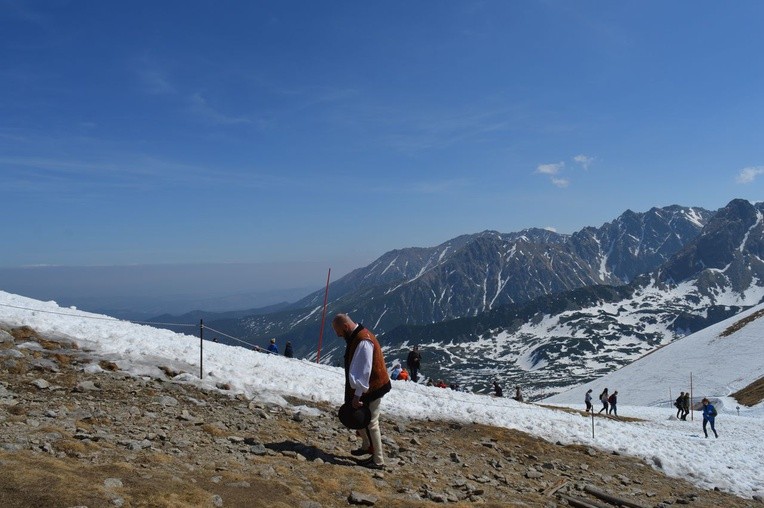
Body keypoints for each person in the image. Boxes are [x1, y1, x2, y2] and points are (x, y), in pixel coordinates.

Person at [332, 313, 391, 470]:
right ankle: (367, 445)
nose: (338, 336)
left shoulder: (363, 341)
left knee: (371, 422)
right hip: (367, 386)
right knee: (358, 415)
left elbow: (364, 371)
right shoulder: (357, 337)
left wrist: (357, 395)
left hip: (373, 387)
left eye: (339, 332)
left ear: (345, 327)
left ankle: (378, 460)